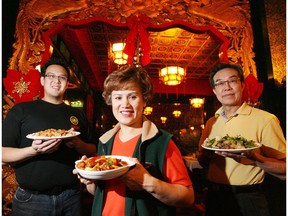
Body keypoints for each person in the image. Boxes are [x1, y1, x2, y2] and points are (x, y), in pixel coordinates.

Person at [73, 66, 195, 216]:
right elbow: (102, 193)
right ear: (111, 102)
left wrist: (147, 182)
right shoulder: (105, 141)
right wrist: (90, 181)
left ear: (144, 101)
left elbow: (188, 197)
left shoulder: (162, 142)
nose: (125, 104)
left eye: (132, 96)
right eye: (118, 97)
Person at [2, 57, 97, 216]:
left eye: (62, 77)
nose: (56, 81)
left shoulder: (77, 114)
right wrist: (33, 150)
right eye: (51, 76)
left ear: (67, 84)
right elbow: (2, 155)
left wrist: (77, 143)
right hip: (31, 199)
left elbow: (93, 149)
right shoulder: (22, 110)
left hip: (71, 197)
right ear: (42, 80)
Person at [198, 62, 286, 216]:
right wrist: (205, 155)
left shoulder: (266, 119)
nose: (227, 87)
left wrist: (253, 157)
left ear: (242, 85)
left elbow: (285, 169)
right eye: (219, 83)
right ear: (214, 90)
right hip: (215, 196)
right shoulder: (212, 122)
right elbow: (203, 160)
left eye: (232, 81)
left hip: (249, 198)